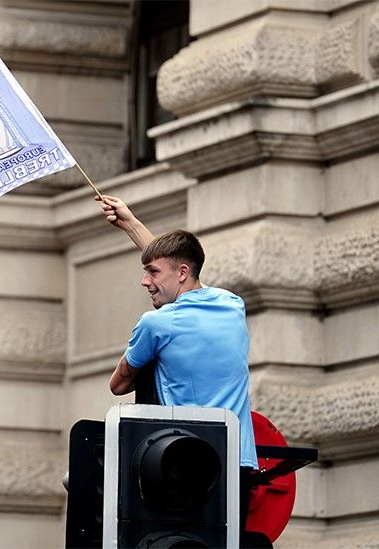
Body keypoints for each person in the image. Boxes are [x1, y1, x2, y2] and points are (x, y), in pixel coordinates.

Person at [97, 195, 268, 546]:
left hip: (181, 465)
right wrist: (130, 223)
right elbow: (177, 267)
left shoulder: (156, 324)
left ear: (182, 273)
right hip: (238, 464)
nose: (145, 281)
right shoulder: (231, 304)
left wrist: (140, 357)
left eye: (151, 273)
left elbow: (118, 385)